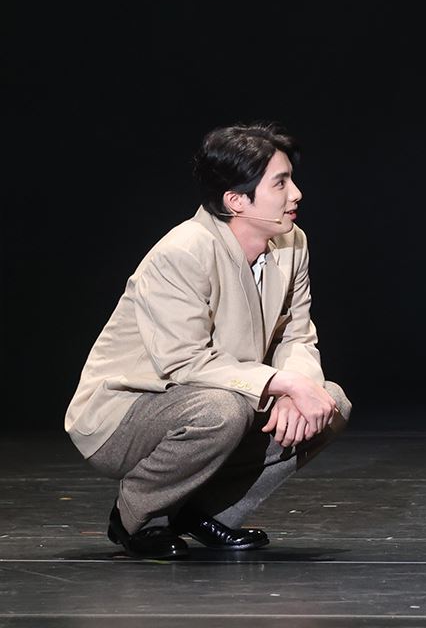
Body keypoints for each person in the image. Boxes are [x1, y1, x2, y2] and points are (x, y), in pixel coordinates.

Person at [64, 122, 351, 559]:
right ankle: (136, 517)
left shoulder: (291, 243)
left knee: (328, 403)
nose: (296, 194)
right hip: (124, 412)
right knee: (222, 410)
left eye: (291, 180)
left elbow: (296, 333)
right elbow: (185, 362)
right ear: (237, 201)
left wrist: (297, 387)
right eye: (280, 183)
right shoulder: (182, 252)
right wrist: (281, 383)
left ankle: (197, 512)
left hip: (223, 394)